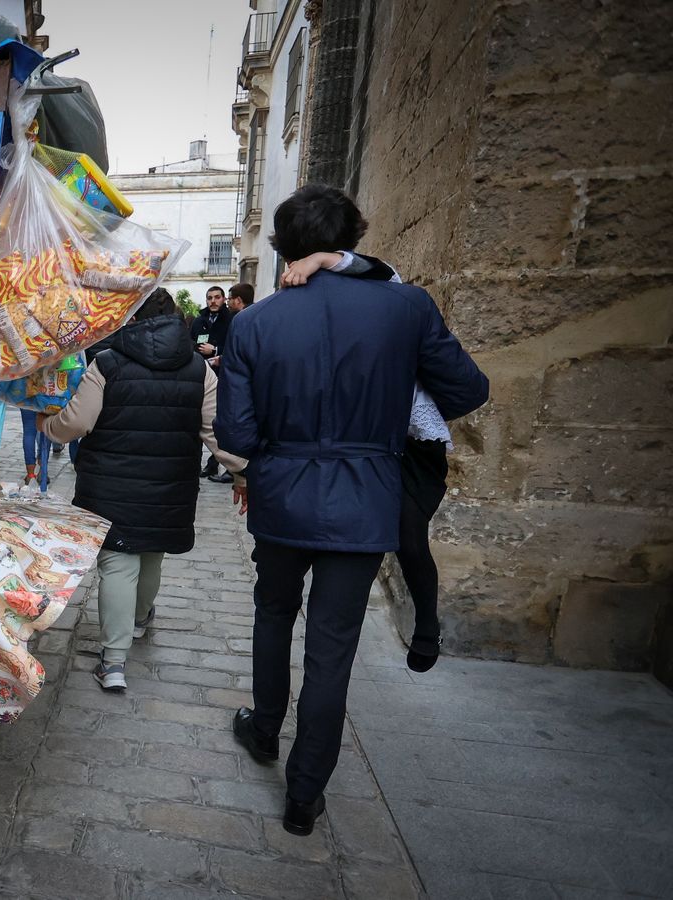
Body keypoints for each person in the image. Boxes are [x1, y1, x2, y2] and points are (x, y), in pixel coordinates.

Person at [216, 186, 488, 837]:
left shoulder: (254, 323)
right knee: (332, 648)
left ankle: (263, 729)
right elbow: (467, 388)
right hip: (367, 499)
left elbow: (238, 436)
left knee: (274, 611)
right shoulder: (406, 307)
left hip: (283, 497)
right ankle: (304, 795)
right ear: (353, 242)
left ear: (283, 249)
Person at [39, 289, 247, 691]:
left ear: (129, 319)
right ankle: (138, 620)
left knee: (118, 561)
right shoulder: (198, 368)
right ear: (176, 319)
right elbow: (216, 431)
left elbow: (79, 422)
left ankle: (113, 663)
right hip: (171, 484)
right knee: (153, 553)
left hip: (109, 484)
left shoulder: (108, 363)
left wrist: (48, 427)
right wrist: (242, 472)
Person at [281, 251, 450, 672]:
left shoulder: (397, 302)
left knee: (410, 536)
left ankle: (427, 628)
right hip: (372, 438)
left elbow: (384, 271)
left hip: (412, 442)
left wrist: (322, 258)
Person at [192, 286, 236, 482]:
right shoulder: (199, 320)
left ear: (224, 298)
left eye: (217, 297)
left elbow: (236, 347)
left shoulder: (232, 319)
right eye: (209, 298)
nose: (213, 301)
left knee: (221, 420)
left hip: (224, 375)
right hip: (201, 372)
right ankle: (210, 465)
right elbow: (190, 340)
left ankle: (226, 464)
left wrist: (215, 349)